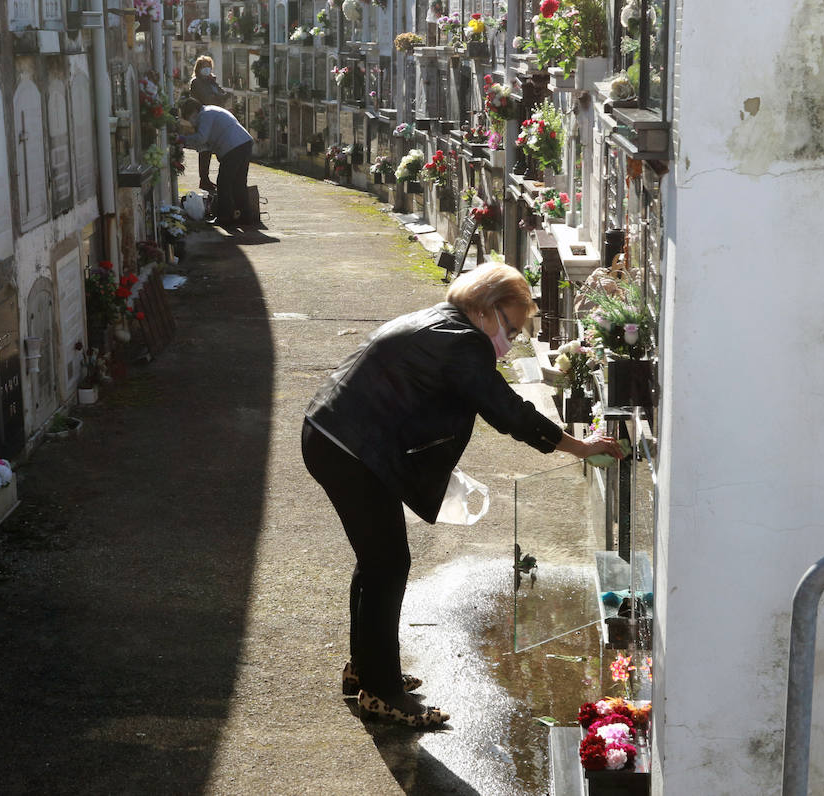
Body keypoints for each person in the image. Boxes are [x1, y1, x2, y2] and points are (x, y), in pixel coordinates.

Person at [301, 262, 623, 727]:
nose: (510, 341)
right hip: (349, 447)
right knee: (388, 563)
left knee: (378, 560)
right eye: (510, 328)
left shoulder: (445, 323)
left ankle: (368, 671)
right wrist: (577, 446)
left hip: (337, 436)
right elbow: (506, 410)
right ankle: (382, 692)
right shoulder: (464, 341)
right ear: (486, 309)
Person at [178, 96, 253, 227]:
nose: (190, 121)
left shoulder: (204, 115)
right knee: (239, 183)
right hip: (243, 143)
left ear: (194, 111)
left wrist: (182, 139)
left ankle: (225, 217)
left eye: (188, 116)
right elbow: (204, 145)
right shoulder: (210, 111)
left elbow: (201, 138)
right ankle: (245, 216)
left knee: (224, 182)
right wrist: (186, 144)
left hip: (234, 146)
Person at [187, 56, 230, 191]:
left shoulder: (211, 81)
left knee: (210, 149)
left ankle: (207, 179)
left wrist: (216, 88)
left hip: (214, 117)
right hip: (203, 117)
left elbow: (223, 94)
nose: (207, 69)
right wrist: (218, 97)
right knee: (204, 149)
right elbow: (207, 97)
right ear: (198, 68)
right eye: (204, 66)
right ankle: (203, 179)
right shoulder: (197, 82)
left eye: (209, 66)